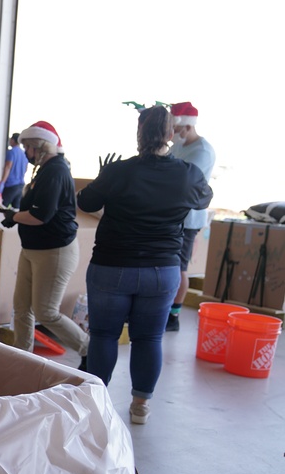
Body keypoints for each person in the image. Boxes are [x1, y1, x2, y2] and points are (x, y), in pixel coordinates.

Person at [77, 106, 212, 425]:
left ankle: (97, 402)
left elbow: (85, 203)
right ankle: (140, 406)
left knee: (104, 335)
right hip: (161, 270)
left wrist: (102, 177)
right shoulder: (186, 173)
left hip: (112, 266)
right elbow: (203, 199)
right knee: (149, 338)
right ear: (170, 134)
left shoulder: (118, 171)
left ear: (139, 133)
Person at [0, 122, 89, 369]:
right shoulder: (43, 171)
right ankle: (23, 357)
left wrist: (13, 216)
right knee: (22, 306)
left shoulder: (56, 171)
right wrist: (15, 214)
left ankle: (88, 348)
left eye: (27, 147)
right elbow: (33, 210)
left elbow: (41, 215)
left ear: (40, 147)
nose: (25, 152)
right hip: (32, 249)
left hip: (54, 251)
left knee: (46, 311)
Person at [166, 101, 216, 332]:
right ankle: (165, 307)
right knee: (169, 265)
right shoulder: (178, 145)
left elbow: (182, 181)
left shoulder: (202, 151)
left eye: (177, 131)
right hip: (172, 216)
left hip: (189, 220)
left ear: (187, 127)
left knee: (179, 268)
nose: (174, 136)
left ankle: (173, 315)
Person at [0, 133, 29, 209]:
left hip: (11, 185)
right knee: (16, 209)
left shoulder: (11, 152)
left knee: (2, 208)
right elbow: (26, 168)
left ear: (13, 140)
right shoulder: (24, 153)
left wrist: (2, 182)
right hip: (20, 185)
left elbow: (8, 167)